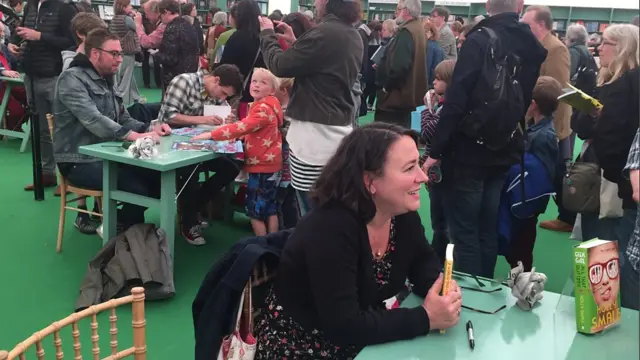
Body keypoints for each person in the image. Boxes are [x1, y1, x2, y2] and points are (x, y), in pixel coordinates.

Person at [253, 123, 462, 359]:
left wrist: (438, 289)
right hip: (304, 344)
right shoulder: (329, 229)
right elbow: (344, 325)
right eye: (409, 168)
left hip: (361, 336)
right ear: (369, 181)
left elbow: (423, 261)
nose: (423, 177)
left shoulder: (401, 214)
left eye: (418, 163)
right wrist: (426, 317)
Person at [422, 0, 547, 278]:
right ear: (520, 5)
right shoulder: (530, 43)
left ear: (489, 4)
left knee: (464, 231)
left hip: (470, 149)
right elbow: (524, 98)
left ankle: (469, 300)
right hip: (505, 145)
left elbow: (456, 100)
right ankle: (485, 290)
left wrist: (435, 151)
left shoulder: (480, 39)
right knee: (486, 227)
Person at [53, 28, 171, 231]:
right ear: (95, 53)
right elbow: (93, 119)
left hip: (109, 155)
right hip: (77, 161)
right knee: (137, 187)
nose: (119, 59)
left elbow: (123, 116)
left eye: (120, 54)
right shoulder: (71, 79)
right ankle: (118, 230)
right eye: (114, 53)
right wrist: (134, 135)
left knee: (154, 180)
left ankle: (120, 224)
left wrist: (150, 127)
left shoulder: (108, 78)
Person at [257, 0, 362, 216]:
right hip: (336, 130)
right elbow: (324, 64)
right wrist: (297, 42)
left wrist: (267, 34)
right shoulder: (351, 34)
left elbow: (280, 65)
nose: (315, 3)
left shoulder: (324, 33)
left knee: (312, 214)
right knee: (330, 211)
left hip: (314, 138)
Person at [158, 64, 244, 244]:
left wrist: (229, 119)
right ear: (216, 80)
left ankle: (191, 207)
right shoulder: (183, 82)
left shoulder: (215, 93)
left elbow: (221, 118)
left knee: (231, 169)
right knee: (190, 172)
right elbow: (168, 116)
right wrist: (202, 119)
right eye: (224, 93)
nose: (223, 98)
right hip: (169, 143)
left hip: (198, 145)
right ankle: (188, 221)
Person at [193, 68, 283, 236]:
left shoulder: (262, 108)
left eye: (263, 82)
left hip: (262, 166)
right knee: (270, 208)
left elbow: (242, 127)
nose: (256, 85)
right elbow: (254, 129)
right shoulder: (271, 105)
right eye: (254, 81)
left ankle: (262, 246)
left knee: (254, 211)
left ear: (272, 90)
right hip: (271, 164)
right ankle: (273, 243)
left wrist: (211, 135)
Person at [8, 0, 78, 194]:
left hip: (55, 75)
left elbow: (72, 41)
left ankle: (68, 178)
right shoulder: (31, 6)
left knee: (62, 128)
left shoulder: (65, 7)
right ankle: (47, 173)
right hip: (32, 74)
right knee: (41, 128)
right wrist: (13, 42)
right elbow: (24, 30)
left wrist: (40, 36)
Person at [521, 6, 574, 233]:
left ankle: (566, 216)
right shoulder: (538, 46)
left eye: (528, 25)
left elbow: (556, 90)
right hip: (539, 118)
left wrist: (549, 123)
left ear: (541, 25)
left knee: (558, 170)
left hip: (552, 123)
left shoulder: (555, 49)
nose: (523, 29)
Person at [504, 76, 561, 271]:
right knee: (521, 243)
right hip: (527, 197)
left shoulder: (544, 136)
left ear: (534, 104)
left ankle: (523, 281)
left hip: (529, 198)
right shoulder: (538, 129)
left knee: (522, 245)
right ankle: (520, 277)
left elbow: (542, 173)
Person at [419, 59, 455, 265]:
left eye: (438, 78)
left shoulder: (446, 107)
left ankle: (442, 258)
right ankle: (438, 253)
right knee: (438, 218)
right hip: (440, 173)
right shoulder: (444, 104)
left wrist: (427, 109)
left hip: (444, 171)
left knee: (443, 221)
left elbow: (428, 131)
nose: (434, 82)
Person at [374, 0, 427, 129]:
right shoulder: (418, 29)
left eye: (398, 9)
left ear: (406, 11)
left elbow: (400, 67)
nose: (395, 12)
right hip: (407, 97)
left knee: (385, 138)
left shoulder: (406, 32)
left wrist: (386, 87)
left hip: (396, 100)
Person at [155, 0, 199, 91]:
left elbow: (170, 58)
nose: (160, 19)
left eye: (160, 15)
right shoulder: (189, 25)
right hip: (190, 76)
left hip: (174, 78)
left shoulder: (172, 28)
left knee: (170, 103)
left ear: (166, 12)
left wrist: (156, 55)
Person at [109, 0, 141, 106]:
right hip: (128, 51)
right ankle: (122, 101)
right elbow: (138, 29)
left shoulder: (113, 19)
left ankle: (136, 97)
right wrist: (135, 18)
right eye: (128, 5)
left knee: (128, 76)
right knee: (126, 78)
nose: (131, 6)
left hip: (118, 51)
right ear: (123, 7)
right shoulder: (127, 19)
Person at [423, 18, 445, 87]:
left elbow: (426, 69)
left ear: (430, 32)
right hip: (434, 84)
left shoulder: (428, 47)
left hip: (427, 85)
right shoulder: (438, 47)